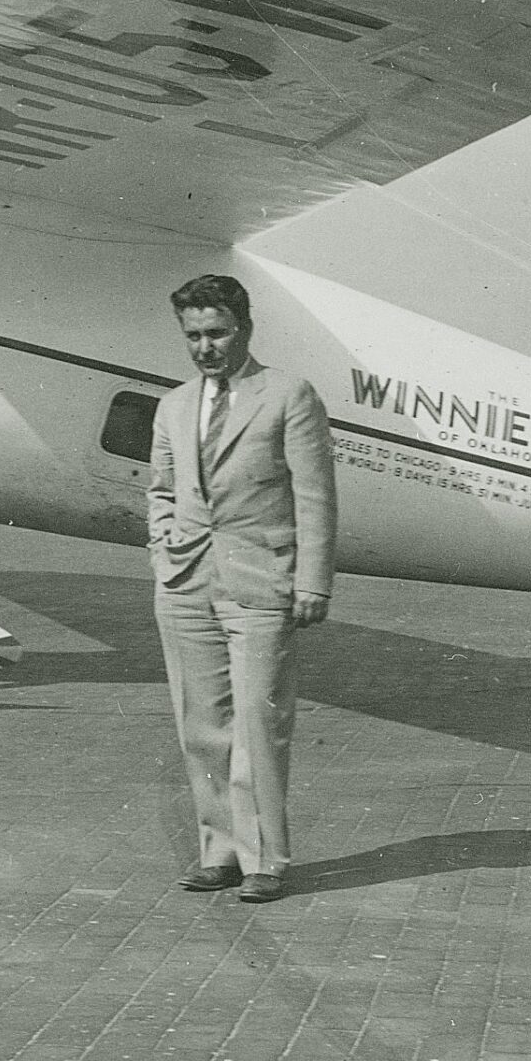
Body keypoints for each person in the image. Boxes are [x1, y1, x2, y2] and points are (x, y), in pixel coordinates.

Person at [147, 274, 337, 903]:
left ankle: (264, 861)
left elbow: (314, 496)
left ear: (245, 327)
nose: (206, 347)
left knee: (259, 721)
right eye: (193, 336)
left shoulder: (288, 394)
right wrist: (161, 551)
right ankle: (220, 851)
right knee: (200, 725)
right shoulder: (174, 405)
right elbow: (161, 491)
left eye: (217, 333)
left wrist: (312, 581)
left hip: (261, 582)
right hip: (184, 583)